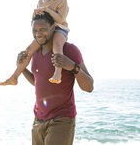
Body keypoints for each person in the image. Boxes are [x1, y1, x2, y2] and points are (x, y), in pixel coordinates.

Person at [18, 12, 94, 145]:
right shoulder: (35, 53)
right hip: (38, 120)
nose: (38, 34)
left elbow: (89, 87)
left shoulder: (69, 50)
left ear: (53, 27)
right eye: (35, 30)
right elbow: (38, 83)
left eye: (42, 29)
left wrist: (72, 66)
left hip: (62, 119)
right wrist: (22, 69)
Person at [0, 0, 70, 85]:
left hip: (59, 29)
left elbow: (60, 19)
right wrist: (35, 16)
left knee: (57, 45)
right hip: (45, 31)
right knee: (28, 50)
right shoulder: (41, 2)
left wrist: (47, 10)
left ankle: (58, 73)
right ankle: (14, 77)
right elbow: (38, 21)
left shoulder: (61, 0)